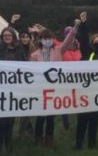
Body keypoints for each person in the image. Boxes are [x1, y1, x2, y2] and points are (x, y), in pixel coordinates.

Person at [29, 19, 80, 148]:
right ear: (40, 40)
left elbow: (69, 39)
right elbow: (31, 73)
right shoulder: (34, 55)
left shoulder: (59, 50)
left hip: (54, 89)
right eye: (44, 38)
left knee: (51, 116)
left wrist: (76, 26)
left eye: (49, 38)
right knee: (41, 116)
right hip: (40, 89)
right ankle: (38, 138)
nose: (47, 40)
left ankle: (49, 139)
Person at [0, 10, 26, 154]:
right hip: (0, 88)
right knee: (0, 120)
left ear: (13, 37)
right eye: (5, 35)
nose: (7, 37)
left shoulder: (19, 49)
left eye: (9, 35)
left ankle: (9, 145)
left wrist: (12, 24)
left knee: (11, 119)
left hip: (14, 88)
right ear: (2, 38)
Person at [74, 12, 98, 150]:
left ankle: (92, 142)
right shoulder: (87, 52)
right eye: (95, 40)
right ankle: (79, 143)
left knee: (94, 119)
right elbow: (84, 38)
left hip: (97, 90)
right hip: (85, 90)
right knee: (82, 119)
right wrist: (84, 24)